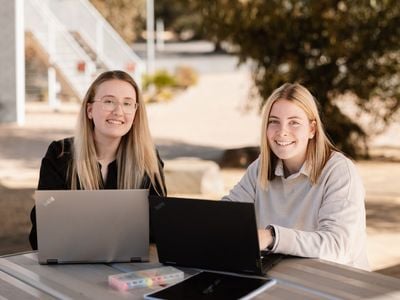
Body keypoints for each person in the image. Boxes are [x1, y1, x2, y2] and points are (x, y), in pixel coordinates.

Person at [222, 83, 369, 270]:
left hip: (339, 286)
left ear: (312, 129)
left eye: (294, 122)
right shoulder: (261, 167)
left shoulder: (340, 172)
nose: (282, 131)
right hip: (285, 277)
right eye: (274, 121)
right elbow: (227, 215)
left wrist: (272, 237)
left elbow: (338, 247)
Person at [29, 70, 166, 250]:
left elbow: (159, 229)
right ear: (90, 110)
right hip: (71, 265)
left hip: (129, 268)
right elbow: (41, 234)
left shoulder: (148, 158)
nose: (118, 111)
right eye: (109, 101)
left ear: (135, 113)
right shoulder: (60, 154)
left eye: (127, 103)